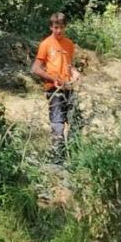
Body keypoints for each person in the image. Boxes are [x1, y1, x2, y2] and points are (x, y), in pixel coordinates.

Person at [32, 13, 81, 160]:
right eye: (55, 28)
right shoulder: (46, 44)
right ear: (51, 27)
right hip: (54, 90)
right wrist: (54, 79)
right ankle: (57, 158)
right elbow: (36, 69)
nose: (58, 31)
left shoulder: (69, 44)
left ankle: (74, 156)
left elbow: (69, 65)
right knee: (58, 123)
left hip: (69, 88)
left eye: (61, 27)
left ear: (65, 27)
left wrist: (75, 72)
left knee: (75, 121)